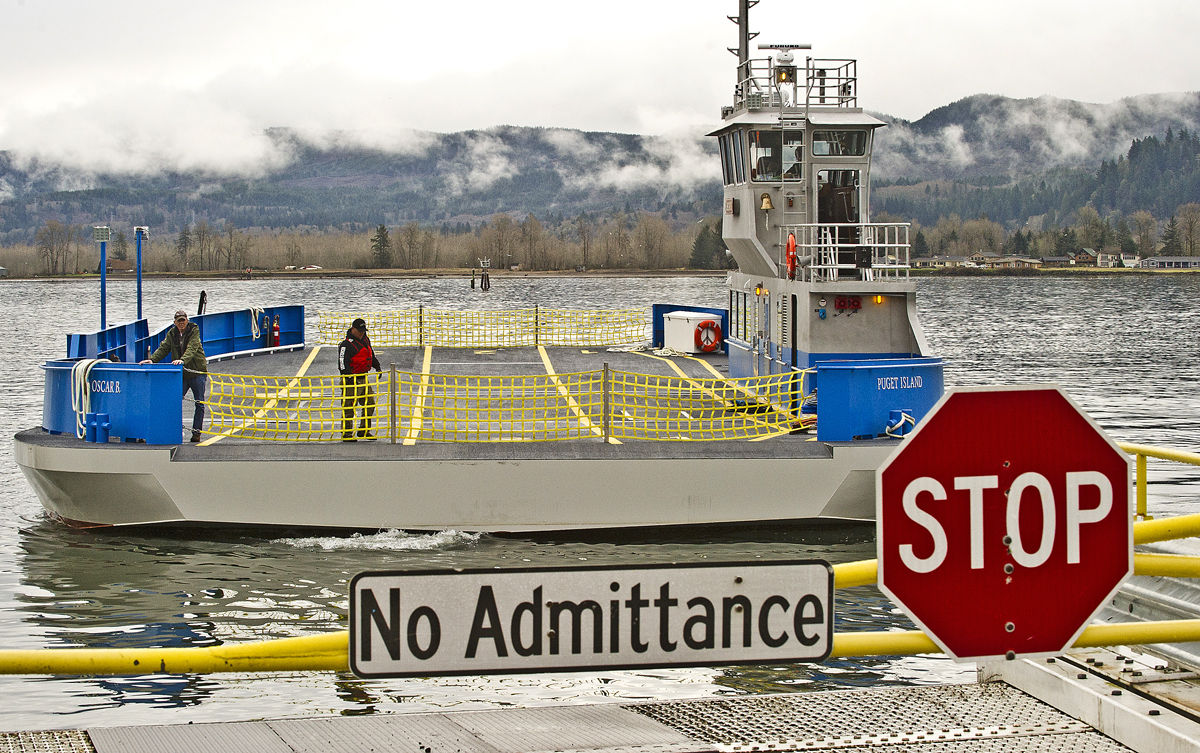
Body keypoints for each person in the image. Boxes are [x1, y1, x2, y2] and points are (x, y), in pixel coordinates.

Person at [140, 309, 208, 442]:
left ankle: (196, 433)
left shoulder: (194, 331)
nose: (181, 323)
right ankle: (175, 430)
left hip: (197, 372)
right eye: (179, 321)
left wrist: (183, 360)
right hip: (182, 374)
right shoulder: (172, 334)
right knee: (174, 401)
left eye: (183, 320)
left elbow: (192, 348)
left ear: (187, 321)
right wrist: (153, 360)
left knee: (199, 402)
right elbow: (164, 348)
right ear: (175, 322)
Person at [338, 317, 381, 441]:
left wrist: (377, 367)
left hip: (363, 377)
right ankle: (347, 433)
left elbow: (370, 355)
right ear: (353, 329)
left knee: (370, 404)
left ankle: (364, 430)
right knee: (349, 407)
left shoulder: (365, 340)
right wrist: (348, 376)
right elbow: (342, 363)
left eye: (363, 330)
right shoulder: (346, 345)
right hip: (351, 379)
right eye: (360, 330)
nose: (362, 333)